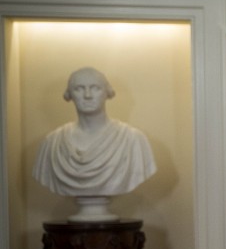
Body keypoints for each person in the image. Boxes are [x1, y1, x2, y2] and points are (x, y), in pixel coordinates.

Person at [33, 66, 157, 197]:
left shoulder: (133, 139)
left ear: (107, 92)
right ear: (69, 95)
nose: (87, 95)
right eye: (79, 89)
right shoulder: (52, 143)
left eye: (95, 88)